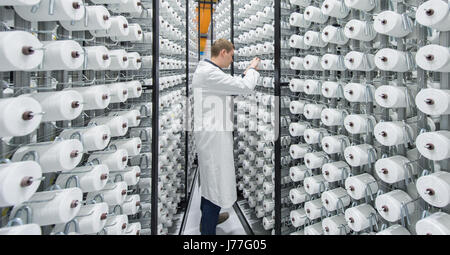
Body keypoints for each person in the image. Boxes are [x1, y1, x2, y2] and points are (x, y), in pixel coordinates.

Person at [192, 38, 261, 235]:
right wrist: (253, 68)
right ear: (223, 52)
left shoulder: (208, 71)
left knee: (210, 180)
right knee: (215, 180)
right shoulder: (209, 74)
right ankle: (208, 231)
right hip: (213, 137)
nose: (232, 60)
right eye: (231, 56)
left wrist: (244, 75)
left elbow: (230, 87)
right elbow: (245, 87)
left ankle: (210, 217)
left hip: (211, 133)